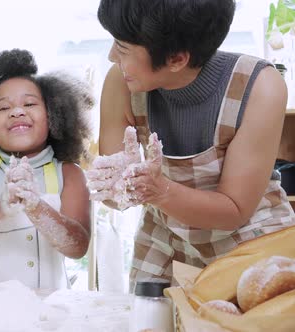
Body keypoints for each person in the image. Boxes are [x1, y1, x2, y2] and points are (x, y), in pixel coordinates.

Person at [89, 0, 295, 289]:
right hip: (166, 232)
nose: (112, 56)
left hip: (248, 233)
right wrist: (116, 186)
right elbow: (115, 194)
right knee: (147, 318)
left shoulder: (259, 86)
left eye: (122, 48)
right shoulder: (121, 81)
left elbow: (234, 210)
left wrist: (159, 190)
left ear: (176, 59)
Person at [0, 49, 93, 289]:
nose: (16, 111)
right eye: (3, 108)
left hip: (47, 314)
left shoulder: (69, 174)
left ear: (53, 116)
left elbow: (77, 247)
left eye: (30, 103)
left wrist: (36, 207)